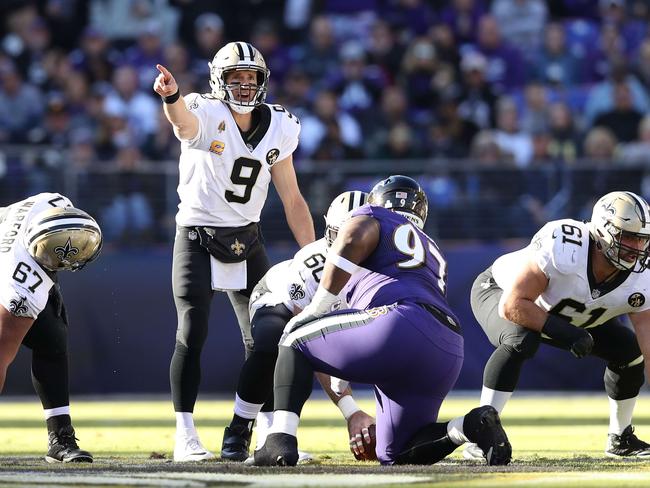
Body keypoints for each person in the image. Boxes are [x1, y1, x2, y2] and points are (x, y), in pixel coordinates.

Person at [253, 175, 512, 466]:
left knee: (294, 337)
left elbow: (352, 238)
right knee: (395, 452)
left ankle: (278, 441)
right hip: (447, 346)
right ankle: (470, 425)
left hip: (399, 324)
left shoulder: (374, 216)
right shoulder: (432, 249)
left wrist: (319, 306)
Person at [152, 41, 315, 462]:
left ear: (262, 81)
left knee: (266, 336)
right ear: (218, 80)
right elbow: (183, 122)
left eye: (250, 78)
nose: (244, 86)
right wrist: (171, 96)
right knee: (192, 332)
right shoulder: (204, 111)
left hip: (248, 236)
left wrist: (315, 256)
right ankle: (184, 434)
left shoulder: (280, 125)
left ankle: (263, 430)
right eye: (235, 78)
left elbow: (292, 198)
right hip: (197, 235)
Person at [464, 191, 650, 460]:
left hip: (575, 314)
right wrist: (567, 333)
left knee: (629, 353)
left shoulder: (643, 272)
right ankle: (480, 433)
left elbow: (647, 339)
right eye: (628, 236)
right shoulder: (565, 246)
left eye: (642, 239)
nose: (637, 248)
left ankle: (621, 439)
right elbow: (513, 305)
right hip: (502, 292)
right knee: (520, 339)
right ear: (602, 232)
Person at [221, 190, 376, 463]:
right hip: (277, 297)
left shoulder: (379, 271)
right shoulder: (314, 265)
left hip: (315, 316)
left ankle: (277, 435)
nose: (349, 244)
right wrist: (350, 410)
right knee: (273, 345)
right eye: (340, 234)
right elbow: (308, 340)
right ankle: (239, 429)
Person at [0, 192, 102, 463]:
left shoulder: (53, 202)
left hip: (12, 253)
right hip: (9, 274)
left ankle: (60, 437)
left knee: (52, 339)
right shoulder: (22, 288)